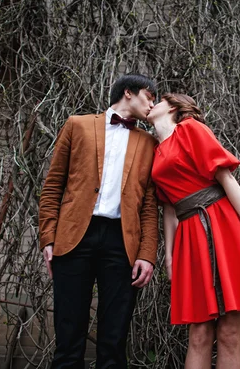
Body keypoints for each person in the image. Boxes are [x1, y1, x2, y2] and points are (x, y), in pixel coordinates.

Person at [146, 93, 240, 369]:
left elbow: (226, 178)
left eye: (156, 100)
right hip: (189, 238)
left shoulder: (190, 129)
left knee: (230, 333)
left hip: (221, 226)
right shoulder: (155, 151)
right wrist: (169, 256)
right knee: (199, 333)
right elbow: (169, 209)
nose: (150, 104)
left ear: (173, 107)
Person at [38, 74, 159, 369]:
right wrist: (49, 237)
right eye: (149, 97)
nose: (152, 105)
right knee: (68, 332)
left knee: (115, 337)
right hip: (74, 236)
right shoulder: (77, 124)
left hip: (122, 242)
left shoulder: (148, 143)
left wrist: (147, 254)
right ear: (128, 93)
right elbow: (53, 185)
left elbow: (149, 205)